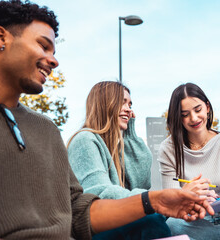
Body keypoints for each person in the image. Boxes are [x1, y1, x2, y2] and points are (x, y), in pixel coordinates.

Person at [0, 1, 214, 239]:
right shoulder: (85, 140)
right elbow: (100, 192)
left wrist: (154, 201)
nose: (54, 61)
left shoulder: (45, 129)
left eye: (54, 52)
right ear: (1, 37)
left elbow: (78, 210)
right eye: (43, 46)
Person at [67, 81, 171, 239]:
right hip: (87, 231)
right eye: (122, 103)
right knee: (151, 222)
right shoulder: (84, 140)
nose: (129, 109)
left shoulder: (117, 148)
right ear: (104, 104)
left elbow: (141, 184)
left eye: (130, 104)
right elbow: (101, 193)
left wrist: (130, 137)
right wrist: (160, 199)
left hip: (112, 226)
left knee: (174, 224)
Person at [158, 83, 220, 240]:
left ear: (207, 107)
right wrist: (185, 194)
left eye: (198, 110)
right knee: (172, 225)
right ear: (178, 118)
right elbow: (172, 202)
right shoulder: (168, 148)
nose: (193, 118)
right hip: (192, 222)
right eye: (184, 114)